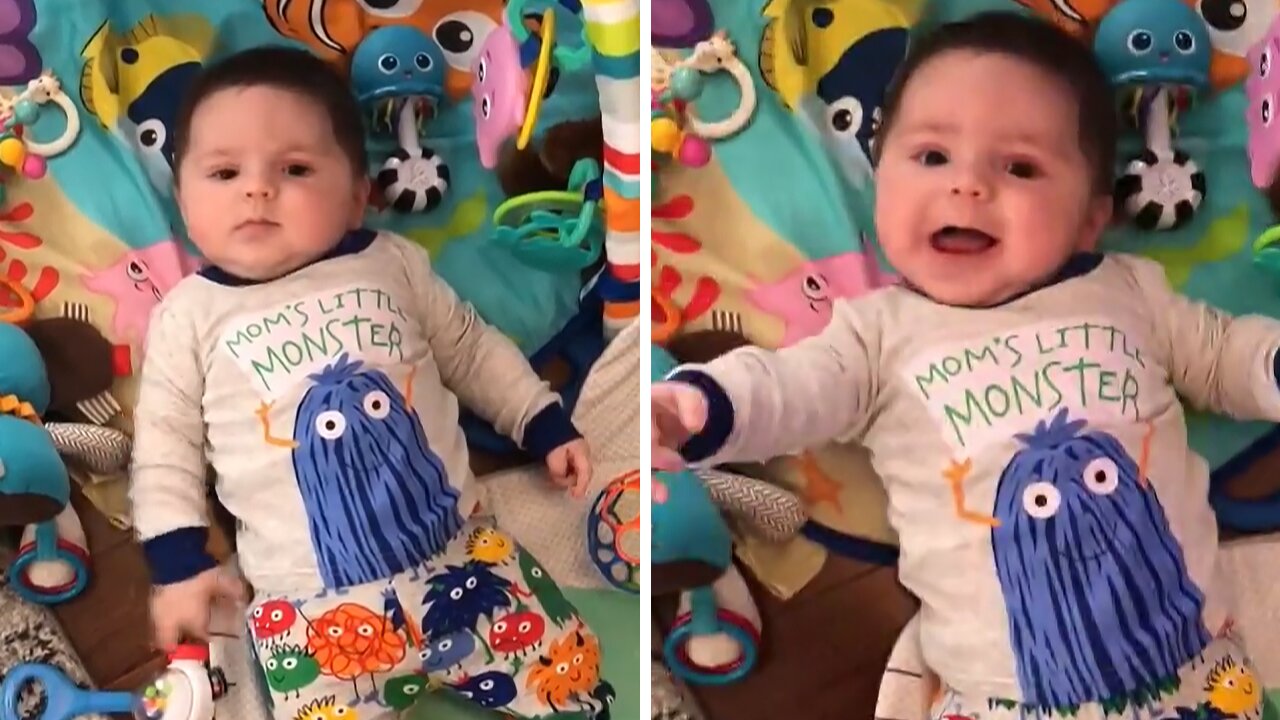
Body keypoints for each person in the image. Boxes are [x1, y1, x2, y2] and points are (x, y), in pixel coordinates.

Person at [653, 12, 1273, 719]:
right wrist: (698, 406)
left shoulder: (1128, 293)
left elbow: (1227, 357)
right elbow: (788, 389)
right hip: (999, 696)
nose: (968, 186)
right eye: (931, 157)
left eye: (1020, 167)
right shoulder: (878, 335)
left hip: (1194, 677)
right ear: (880, 178)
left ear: (1091, 216)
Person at [131, 46, 611, 719]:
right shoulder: (188, 314)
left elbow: (470, 349)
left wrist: (540, 417)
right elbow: (164, 444)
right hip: (313, 611)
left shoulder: (390, 263)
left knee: (577, 683)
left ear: (358, 194)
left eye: (295, 168)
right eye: (224, 172)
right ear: (184, 204)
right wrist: (178, 562)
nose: (257, 188)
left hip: (466, 559)